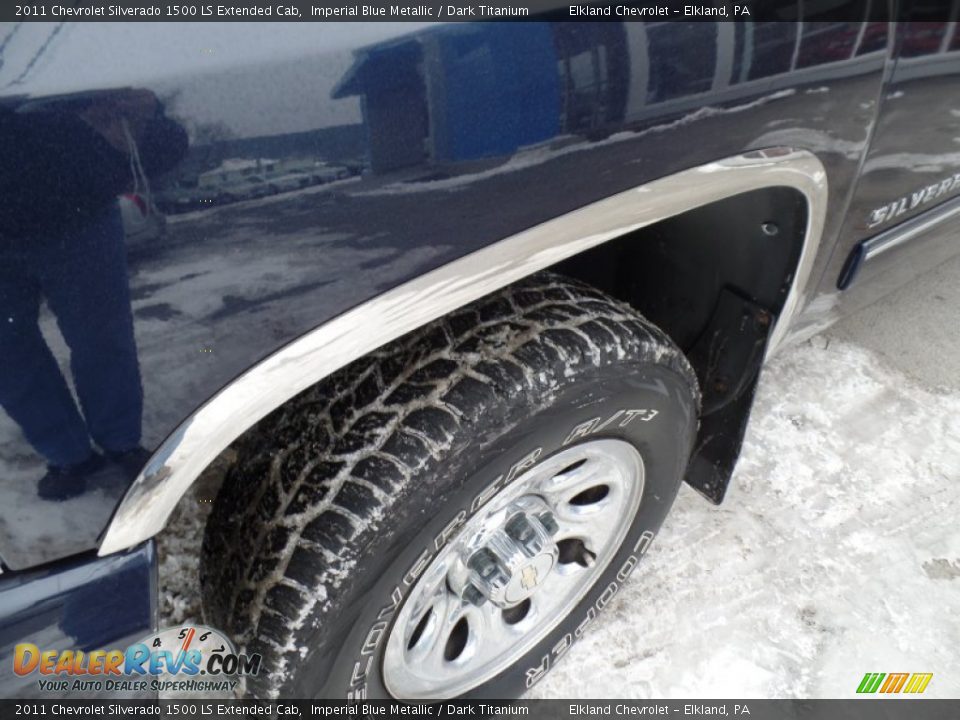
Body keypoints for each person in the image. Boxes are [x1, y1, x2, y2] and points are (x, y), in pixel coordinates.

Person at [0, 89, 187, 500]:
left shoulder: (62, 57)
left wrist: (143, 121)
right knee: (9, 357)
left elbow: (161, 147)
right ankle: (68, 455)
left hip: (79, 219)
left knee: (101, 338)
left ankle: (120, 442)